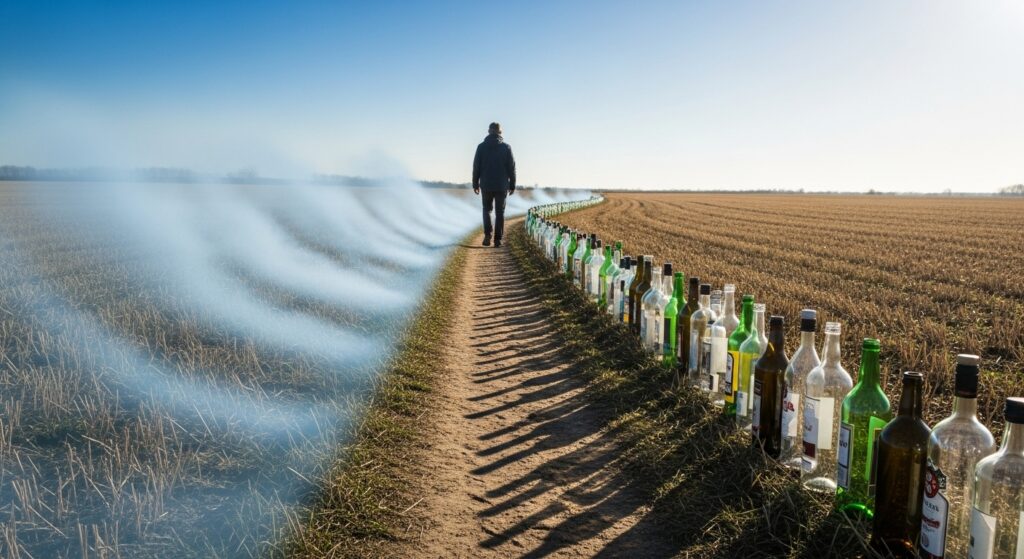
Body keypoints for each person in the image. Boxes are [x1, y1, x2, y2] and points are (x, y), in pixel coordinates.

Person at [472, 122, 516, 247]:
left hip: (486, 184)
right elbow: (511, 168)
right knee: (500, 213)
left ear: (488, 131)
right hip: (502, 185)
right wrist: (512, 185)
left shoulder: (481, 147)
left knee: (486, 210)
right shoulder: (506, 147)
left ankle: (487, 235)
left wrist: (475, 184)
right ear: (500, 132)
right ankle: (497, 240)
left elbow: (476, 167)